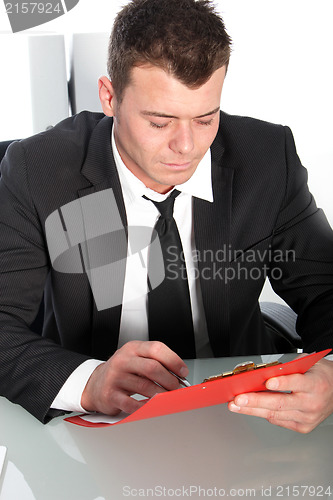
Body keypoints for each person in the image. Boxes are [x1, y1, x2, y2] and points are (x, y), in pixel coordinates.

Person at [0, 0, 332, 433]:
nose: (187, 146)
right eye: (160, 122)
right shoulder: (41, 170)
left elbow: (325, 288)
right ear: (110, 97)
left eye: (205, 118)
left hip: (239, 410)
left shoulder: (267, 157)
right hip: (96, 423)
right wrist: (89, 381)